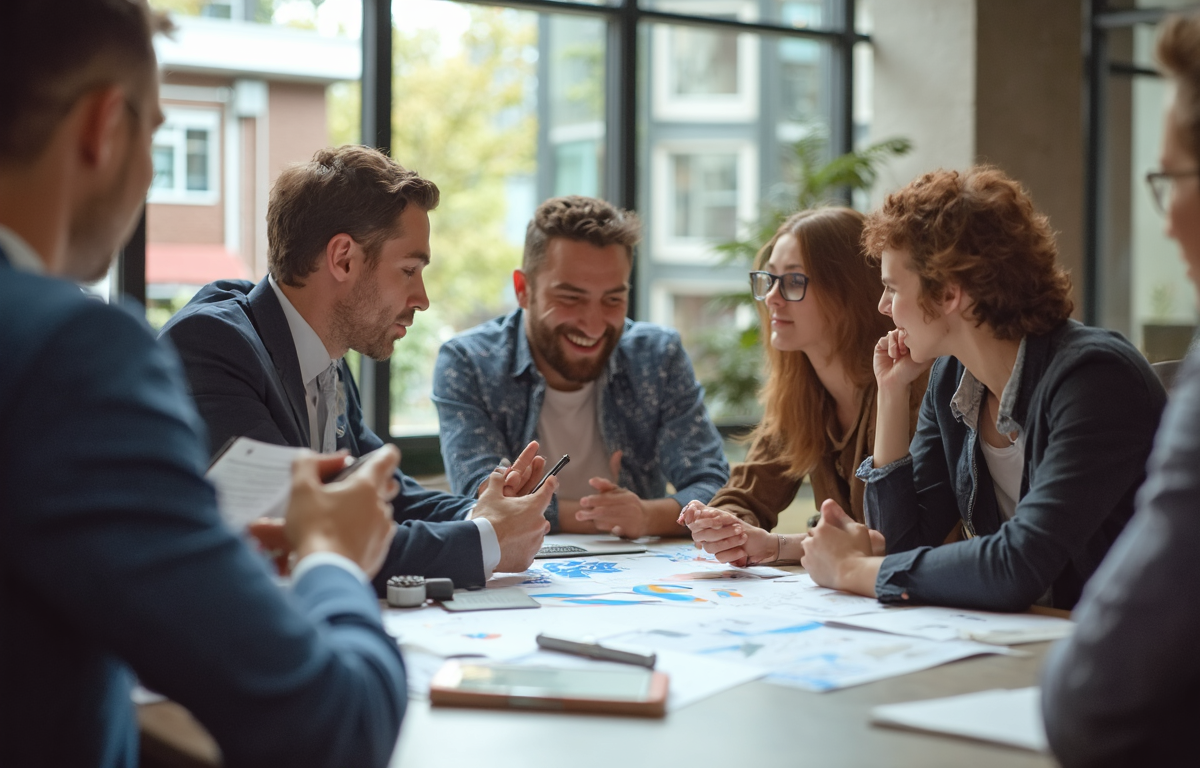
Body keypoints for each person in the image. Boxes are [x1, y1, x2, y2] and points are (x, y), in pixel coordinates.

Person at [0, 2, 409, 766]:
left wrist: (193, 557)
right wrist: (330, 558)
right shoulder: (72, 353)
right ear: (102, 127)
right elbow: (333, 729)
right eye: (156, 132)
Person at [160, 145, 556, 591]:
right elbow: (312, 538)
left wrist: (486, 509)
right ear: (343, 258)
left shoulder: (323, 353)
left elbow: (389, 495)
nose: (422, 298)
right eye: (409, 270)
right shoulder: (213, 346)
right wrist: (487, 540)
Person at [798, 166, 1166, 612]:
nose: (883, 306)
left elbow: (1017, 566)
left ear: (950, 293)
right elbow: (901, 548)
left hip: (1131, 654)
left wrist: (849, 570)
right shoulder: (952, 380)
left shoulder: (1095, 379)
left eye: (893, 288)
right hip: (1034, 640)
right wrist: (891, 395)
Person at [1041, 13, 1200, 765]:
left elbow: (1096, 700)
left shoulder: (1091, 373)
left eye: (1172, 180)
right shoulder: (946, 384)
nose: (1167, 221)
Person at [432, 195, 729, 539]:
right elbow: (486, 500)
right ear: (523, 289)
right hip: (519, 570)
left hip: (639, 575)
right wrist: (623, 514)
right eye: (570, 298)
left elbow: (715, 487)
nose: (592, 325)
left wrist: (646, 517)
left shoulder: (659, 355)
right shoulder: (468, 362)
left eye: (613, 300)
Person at [677, 208, 927, 565]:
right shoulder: (801, 392)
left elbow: (899, 537)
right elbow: (746, 494)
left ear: (849, 291)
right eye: (770, 279)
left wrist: (776, 544)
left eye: (794, 281)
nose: (772, 298)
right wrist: (723, 525)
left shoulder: (910, 385)